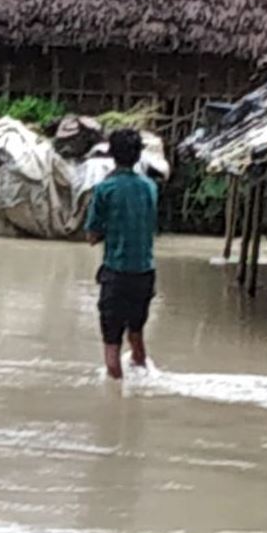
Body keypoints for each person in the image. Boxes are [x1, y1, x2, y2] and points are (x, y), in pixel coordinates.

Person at [85, 129, 158, 380]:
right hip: (145, 273)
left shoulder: (105, 189)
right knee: (136, 333)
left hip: (116, 273)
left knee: (111, 345)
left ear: (112, 155)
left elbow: (92, 236)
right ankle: (144, 379)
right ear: (138, 156)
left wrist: (107, 229)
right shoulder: (150, 188)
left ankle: (117, 400)